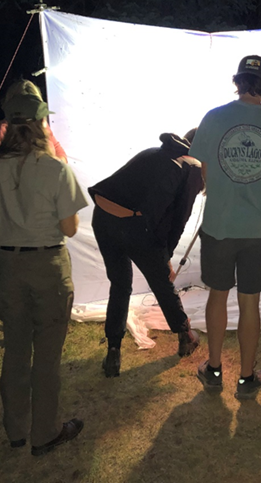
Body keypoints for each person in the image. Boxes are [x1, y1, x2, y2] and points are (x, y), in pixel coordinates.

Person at [0, 93, 87, 456]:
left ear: (6, 124)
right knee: (48, 355)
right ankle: (46, 432)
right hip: (48, 265)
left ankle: (16, 430)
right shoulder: (55, 168)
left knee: (15, 349)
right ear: (41, 123)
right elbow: (69, 229)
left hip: (8, 266)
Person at [189, 55, 261, 400]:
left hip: (219, 223)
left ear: (238, 81)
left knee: (217, 297)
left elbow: (203, 172)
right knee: (250, 303)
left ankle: (215, 368)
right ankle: (247, 377)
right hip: (258, 228)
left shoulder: (214, 117)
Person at [88, 130, 204, 377]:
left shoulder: (155, 153)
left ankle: (113, 351)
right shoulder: (193, 167)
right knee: (162, 282)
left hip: (103, 218)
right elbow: (179, 220)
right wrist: (166, 258)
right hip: (133, 225)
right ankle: (186, 337)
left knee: (119, 285)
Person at [0, 79, 67, 160]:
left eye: (33, 103)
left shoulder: (42, 125)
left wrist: (53, 165)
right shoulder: (1, 130)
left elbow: (60, 152)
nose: (26, 108)